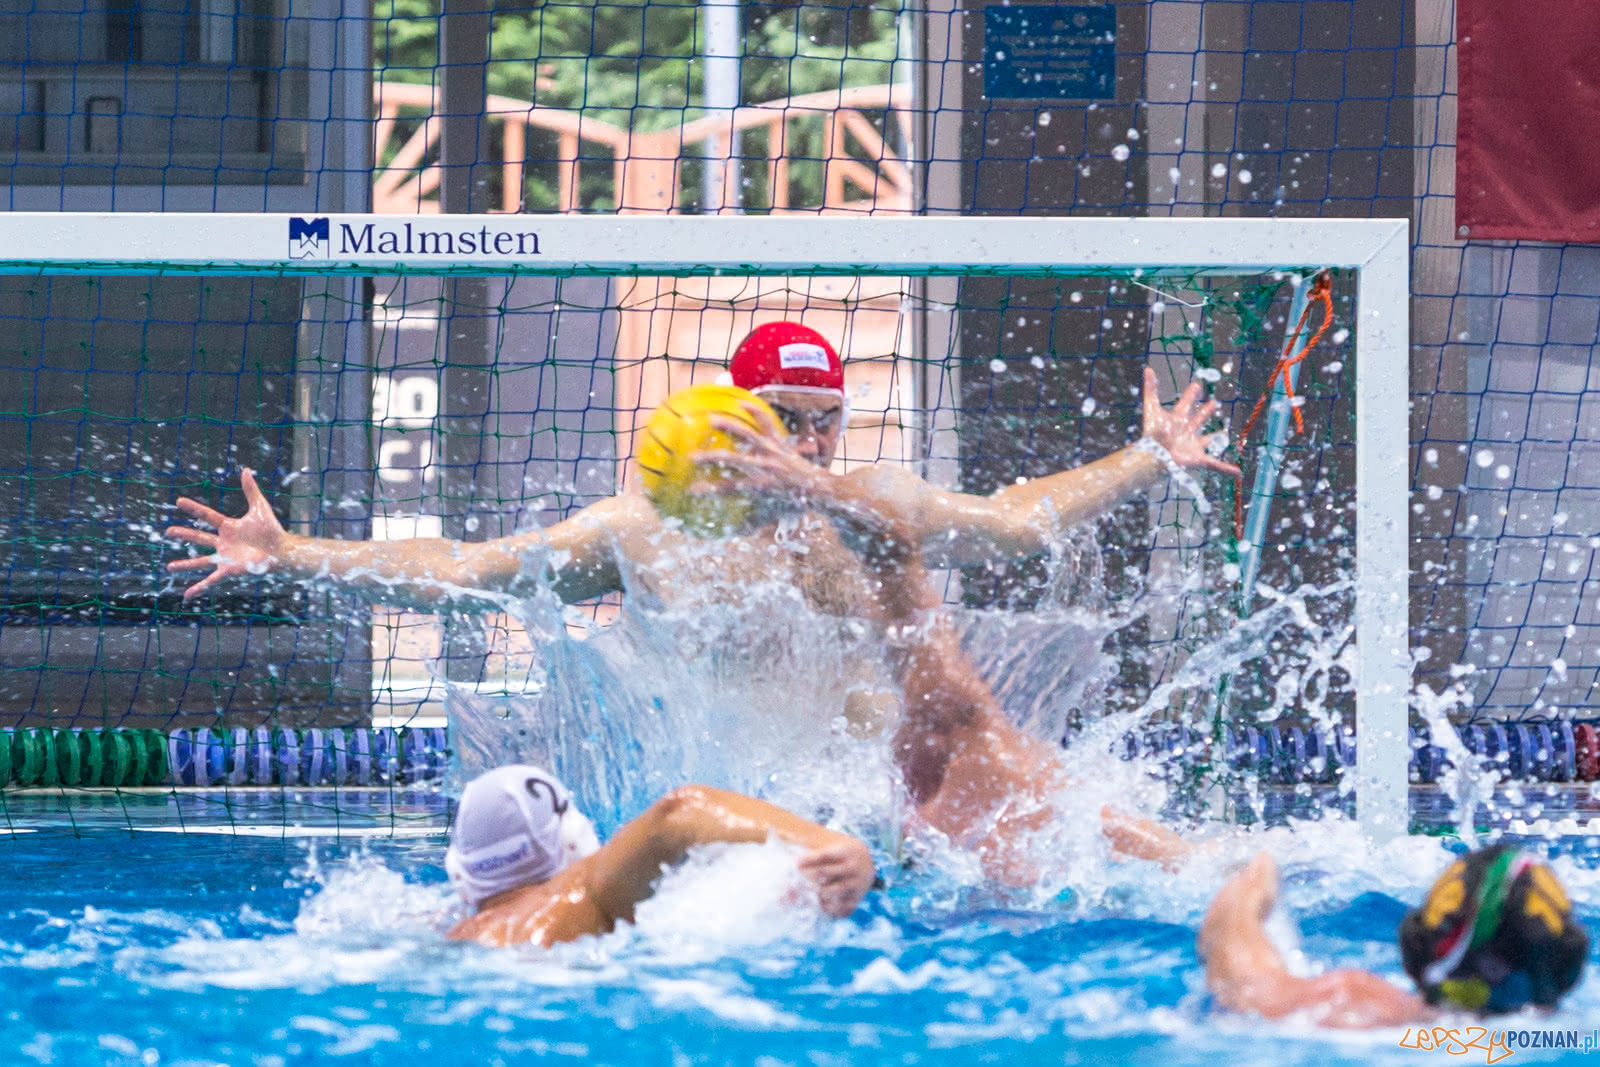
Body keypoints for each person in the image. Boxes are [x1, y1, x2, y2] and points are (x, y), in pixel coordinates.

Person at [444, 763, 877, 948]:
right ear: (573, 840)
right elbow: (682, 810)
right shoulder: (586, 891)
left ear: (461, 871)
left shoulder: (459, 935)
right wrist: (833, 846)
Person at [1198, 848, 1588, 1028]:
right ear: (1567, 966)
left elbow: (1234, 965)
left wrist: (1252, 883)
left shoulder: (1353, 1005)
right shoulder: (1579, 1039)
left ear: (1414, 948)